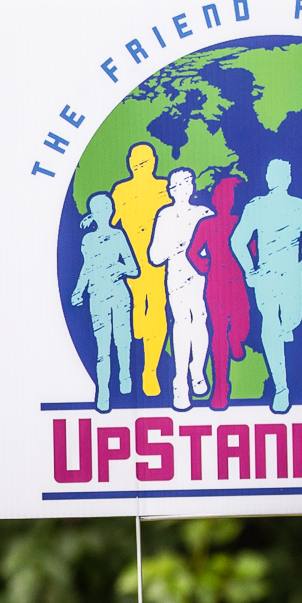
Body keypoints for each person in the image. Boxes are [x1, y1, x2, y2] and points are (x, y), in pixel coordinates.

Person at [228, 158, 302, 414]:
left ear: (287, 179)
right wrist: (250, 270)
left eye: (279, 174)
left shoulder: (297, 206)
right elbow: (238, 240)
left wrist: (300, 266)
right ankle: (281, 389)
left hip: (291, 276)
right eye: (272, 173)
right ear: (268, 178)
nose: (275, 178)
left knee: (292, 320)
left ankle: (286, 328)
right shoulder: (256, 206)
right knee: (270, 327)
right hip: (267, 276)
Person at [110, 144, 173, 398]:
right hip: (130, 263)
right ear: (129, 163)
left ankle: (150, 371)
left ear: (154, 161)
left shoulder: (165, 188)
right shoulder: (121, 190)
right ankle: (139, 327)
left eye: (145, 160)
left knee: (157, 310)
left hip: (159, 263)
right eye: (136, 161)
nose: (140, 165)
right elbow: (111, 221)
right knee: (137, 315)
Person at [184, 175, 251, 411]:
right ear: (215, 200)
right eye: (222, 197)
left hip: (239, 285)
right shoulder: (207, 224)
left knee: (242, 326)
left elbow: (253, 250)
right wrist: (204, 267)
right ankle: (220, 388)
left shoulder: (241, 222)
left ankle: (237, 339)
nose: (226, 201)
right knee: (218, 335)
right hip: (216, 286)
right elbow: (192, 252)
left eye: (230, 197)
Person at [69, 190, 140, 412]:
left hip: (119, 294)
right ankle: (103, 391)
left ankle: (125, 377)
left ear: (111, 210)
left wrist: (120, 268)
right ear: (93, 213)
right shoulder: (88, 239)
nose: (103, 212)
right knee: (102, 347)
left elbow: (133, 268)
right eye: (98, 210)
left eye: (106, 208)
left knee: (123, 340)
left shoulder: (118, 235)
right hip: (97, 296)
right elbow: (86, 267)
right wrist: (78, 291)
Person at [147, 167, 212, 409]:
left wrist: (200, 253)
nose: (184, 187)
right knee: (182, 323)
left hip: (202, 277)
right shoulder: (164, 215)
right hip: (176, 277)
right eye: (178, 184)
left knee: (201, 319)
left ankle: (198, 370)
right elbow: (154, 256)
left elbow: (216, 246)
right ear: (170, 190)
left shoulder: (204, 212)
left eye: (188, 182)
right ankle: (180, 383)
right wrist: (176, 247)